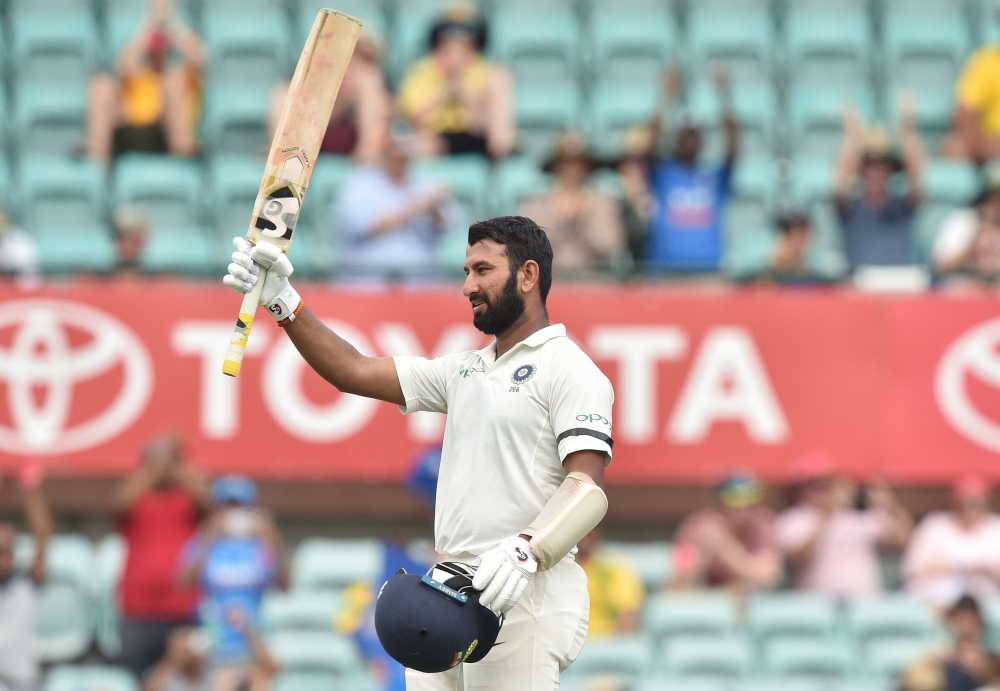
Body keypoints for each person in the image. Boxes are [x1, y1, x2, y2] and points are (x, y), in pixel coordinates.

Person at [222, 215, 614, 690]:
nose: (468, 284)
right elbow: (353, 370)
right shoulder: (465, 369)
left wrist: (528, 550)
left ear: (528, 275)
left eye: (483, 270)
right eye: (467, 271)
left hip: (525, 590)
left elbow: (586, 488)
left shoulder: (570, 368)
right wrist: (283, 301)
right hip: (449, 588)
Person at [112, 434, 211, 678]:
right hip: (137, 610)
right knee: (130, 677)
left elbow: (209, 502)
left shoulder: (188, 500)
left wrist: (176, 466)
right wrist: (153, 469)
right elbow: (116, 504)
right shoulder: (137, 499)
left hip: (181, 607)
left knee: (183, 679)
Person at [180, 475, 286, 682]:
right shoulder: (204, 542)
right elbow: (184, 582)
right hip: (212, 640)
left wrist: (274, 542)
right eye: (227, 507)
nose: (233, 514)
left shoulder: (260, 545)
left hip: (254, 640)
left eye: (239, 507)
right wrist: (208, 538)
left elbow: (284, 585)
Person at [644, 69, 740, 272]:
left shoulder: (715, 177)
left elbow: (733, 145)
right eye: (685, 135)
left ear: (702, 141)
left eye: (694, 135)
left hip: (707, 272)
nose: (689, 140)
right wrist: (665, 98)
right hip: (665, 272)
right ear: (676, 139)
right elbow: (649, 144)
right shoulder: (663, 173)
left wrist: (724, 96)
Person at [85, 0, 203, 165]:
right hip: (134, 131)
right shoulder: (140, 73)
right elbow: (121, 65)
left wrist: (171, 21)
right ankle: (96, 167)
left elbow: (200, 57)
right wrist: (150, 23)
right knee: (102, 85)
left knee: (172, 83)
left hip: (168, 138)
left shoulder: (181, 74)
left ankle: (183, 165)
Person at [336, 126, 459, 279]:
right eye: (394, 151)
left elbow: (446, 228)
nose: (400, 158)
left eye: (404, 152)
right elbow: (364, 226)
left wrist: (434, 208)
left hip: (419, 276)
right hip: (369, 275)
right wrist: (412, 209)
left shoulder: (423, 183)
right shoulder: (359, 184)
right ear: (383, 152)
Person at [397, 3, 514, 159]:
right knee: (412, 146)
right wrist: (447, 90)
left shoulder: (488, 72)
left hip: (477, 138)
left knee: (499, 83)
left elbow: (478, 123)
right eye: (448, 35)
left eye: (466, 34)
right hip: (436, 138)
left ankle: (502, 163)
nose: (456, 42)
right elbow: (415, 120)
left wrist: (460, 85)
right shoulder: (422, 71)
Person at [776, 468, 912, 599]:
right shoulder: (795, 518)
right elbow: (798, 558)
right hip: (816, 606)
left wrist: (890, 505)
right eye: (818, 487)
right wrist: (827, 515)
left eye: (831, 487)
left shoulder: (858, 516)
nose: (826, 493)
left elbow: (903, 541)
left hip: (863, 602)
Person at [268, 30, 389, 164]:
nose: (353, 61)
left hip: (355, 140)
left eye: (362, 55)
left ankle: (368, 159)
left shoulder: (371, 80)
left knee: (369, 83)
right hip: (311, 138)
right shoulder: (319, 74)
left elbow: (384, 116)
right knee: (284, 91)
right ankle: (284, 156)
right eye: (350, 52)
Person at [833, 100, 926, 271]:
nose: (875, 173)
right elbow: (841, 181)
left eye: (881, 166)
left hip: (897, 285)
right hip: (859, 287)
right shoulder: (850, 208)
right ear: (860, 170)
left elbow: (918, 178)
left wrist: (908, 129)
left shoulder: (901, 207)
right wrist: (854, 135)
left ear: (891, 171)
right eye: (869, 165)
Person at [519, 131, 627, 274]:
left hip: (594, 280)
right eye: (566, 164)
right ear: (555, 167)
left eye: (578, 164)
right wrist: (559, 218)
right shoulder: (537, 203)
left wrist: (584, 219)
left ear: (588, 168)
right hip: (549, 280)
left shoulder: (603, 203)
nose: (572, 170)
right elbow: (528, 247)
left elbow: (610, 246)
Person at [671, 470, 780, 594]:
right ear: (718, 501)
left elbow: (767, 577)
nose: (742, 507)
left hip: (748, 600)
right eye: (733, 498)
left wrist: (725, 546)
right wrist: (703, 555)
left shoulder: (762, 523)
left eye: (748, 498)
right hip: (705, 598)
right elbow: (678, 583)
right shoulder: (698, 526)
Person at [904, 475, 1000, 609]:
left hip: (986, 604)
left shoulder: (996, 527)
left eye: (977, 502)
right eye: (967, 502)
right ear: (955, 501)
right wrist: (956, 567)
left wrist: (983, 568)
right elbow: (913, 571)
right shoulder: (934, 525)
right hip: (936, 602)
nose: (971, 508)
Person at [0, 463, 53, 691]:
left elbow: (43, 536)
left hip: (22, 679)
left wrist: (31, 490)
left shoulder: (27, 582)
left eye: (6, 551)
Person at [901, 596, 1000, 691]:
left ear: (979, 621)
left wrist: (980, 668)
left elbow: (994, 679)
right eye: (960, 618)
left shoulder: (990, 657)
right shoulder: (942, 653)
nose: (965, 623)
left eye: (970, 619)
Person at [143, 624, 278, 691]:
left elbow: (270, 670)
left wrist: (247, 631)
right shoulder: (167, 675)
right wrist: (173, 659)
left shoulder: (220, 673)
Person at [932, 163, 1000, 283]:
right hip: (961, 292)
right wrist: (972, 248)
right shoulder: (962, 220)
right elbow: (940, 265)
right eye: (996, 197)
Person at [575, 530, 644, 639]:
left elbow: (628, 613)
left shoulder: (615, 568)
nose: (582, 540)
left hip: (607, 641)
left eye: (588, 534)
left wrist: (612, 645)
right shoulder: (554, 569)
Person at [944, 40, 1000, 165]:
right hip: (991, 140)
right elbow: (965, 111)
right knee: (954, 149)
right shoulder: (987, 60)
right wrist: (985, 146)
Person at [760, 208, 830, 284]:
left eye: (799, 231)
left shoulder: (822, 263)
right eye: (786, 232)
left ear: (808, 232)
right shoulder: (768, 278)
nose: (792, 237)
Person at [112, 205, 151, 275]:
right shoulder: (94, 282)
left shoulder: (162, 283)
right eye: (121, 238)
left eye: (133, 239)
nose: (125, 246)